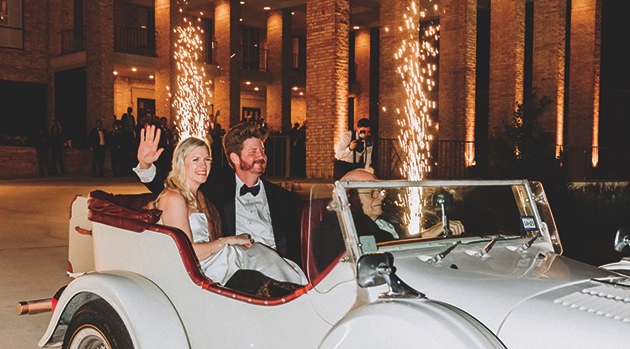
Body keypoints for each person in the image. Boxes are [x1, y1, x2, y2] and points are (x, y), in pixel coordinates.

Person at [134, 120, 303, 267]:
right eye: (253, 152)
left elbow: (296, 245)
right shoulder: (215, 184)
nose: (262, 156)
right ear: (235, 158)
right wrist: (145, 165)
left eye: (262, 151)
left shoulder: (283, 197)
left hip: (277, 264)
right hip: (238, 265)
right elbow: (175, 184)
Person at [155, 136, 306, 288]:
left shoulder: (200, 197)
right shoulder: (174, 198)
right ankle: (296, 293)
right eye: (195, 160)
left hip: (214, 259)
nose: (203, 165)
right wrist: (229, 240)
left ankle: (296, 290)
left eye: (207, 160)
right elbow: (185, 253)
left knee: (260, 254)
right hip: (200, 268)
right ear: (181, 163)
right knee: (256, 255)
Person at [313, 169, 465, 272]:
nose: (381, 196)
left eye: (381, 191)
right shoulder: (337, 227)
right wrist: (421, 239)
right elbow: (370, 256)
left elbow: (396, 241)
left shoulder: (387, 220)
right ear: (349, 198)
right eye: (372, 193)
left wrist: (426, 236)